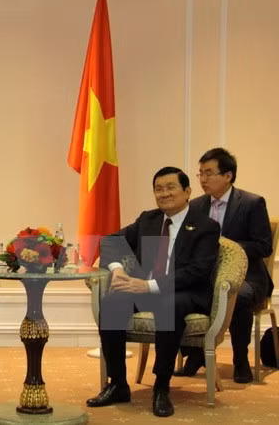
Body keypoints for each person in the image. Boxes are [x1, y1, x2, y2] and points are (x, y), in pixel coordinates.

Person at [86, 167, 220, 417]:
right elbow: (110, 241)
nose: (164, 194)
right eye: (158, 189)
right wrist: (117, 270)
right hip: (144, 288)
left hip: (183, 291)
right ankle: (117, 384)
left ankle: (161, 386)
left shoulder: (206, 226)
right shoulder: (149, 219)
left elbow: (197, 272)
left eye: (170, 187)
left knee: (169, 307)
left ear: (187, 191)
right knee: (113, 302)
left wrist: (148, 286)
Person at [175, 148, 273, 383]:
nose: (203, 179)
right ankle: (195, 354)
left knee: (234, 293)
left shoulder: (252, 203)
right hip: (205, 275)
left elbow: (263, 246)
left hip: (247, 276)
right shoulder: (194, 205)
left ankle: (241, 359)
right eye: (200, 173)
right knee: (183, 291)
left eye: (209, 173)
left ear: (228, 176)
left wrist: (225, 247)